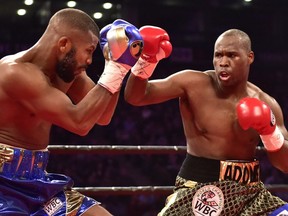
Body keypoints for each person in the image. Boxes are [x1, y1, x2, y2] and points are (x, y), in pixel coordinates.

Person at [124, 27, 288, 215]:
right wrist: (146, 59)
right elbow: (136, 97)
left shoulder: (265, 103)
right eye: (218, 55)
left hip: (251, 194)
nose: (223, 63)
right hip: (199, 190)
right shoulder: (193, 83)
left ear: (249, 57)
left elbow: (284, 165)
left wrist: (269, 132)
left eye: (232, 56)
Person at [0, 8, 143, 216]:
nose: (89, 61)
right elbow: (79, 123)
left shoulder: (66, 72)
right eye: (89, 50)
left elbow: (102, 116)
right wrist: (116, 69)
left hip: (38, 180)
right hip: (4, 186)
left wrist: (116, 68)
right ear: (64, 44)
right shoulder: (15, 73)